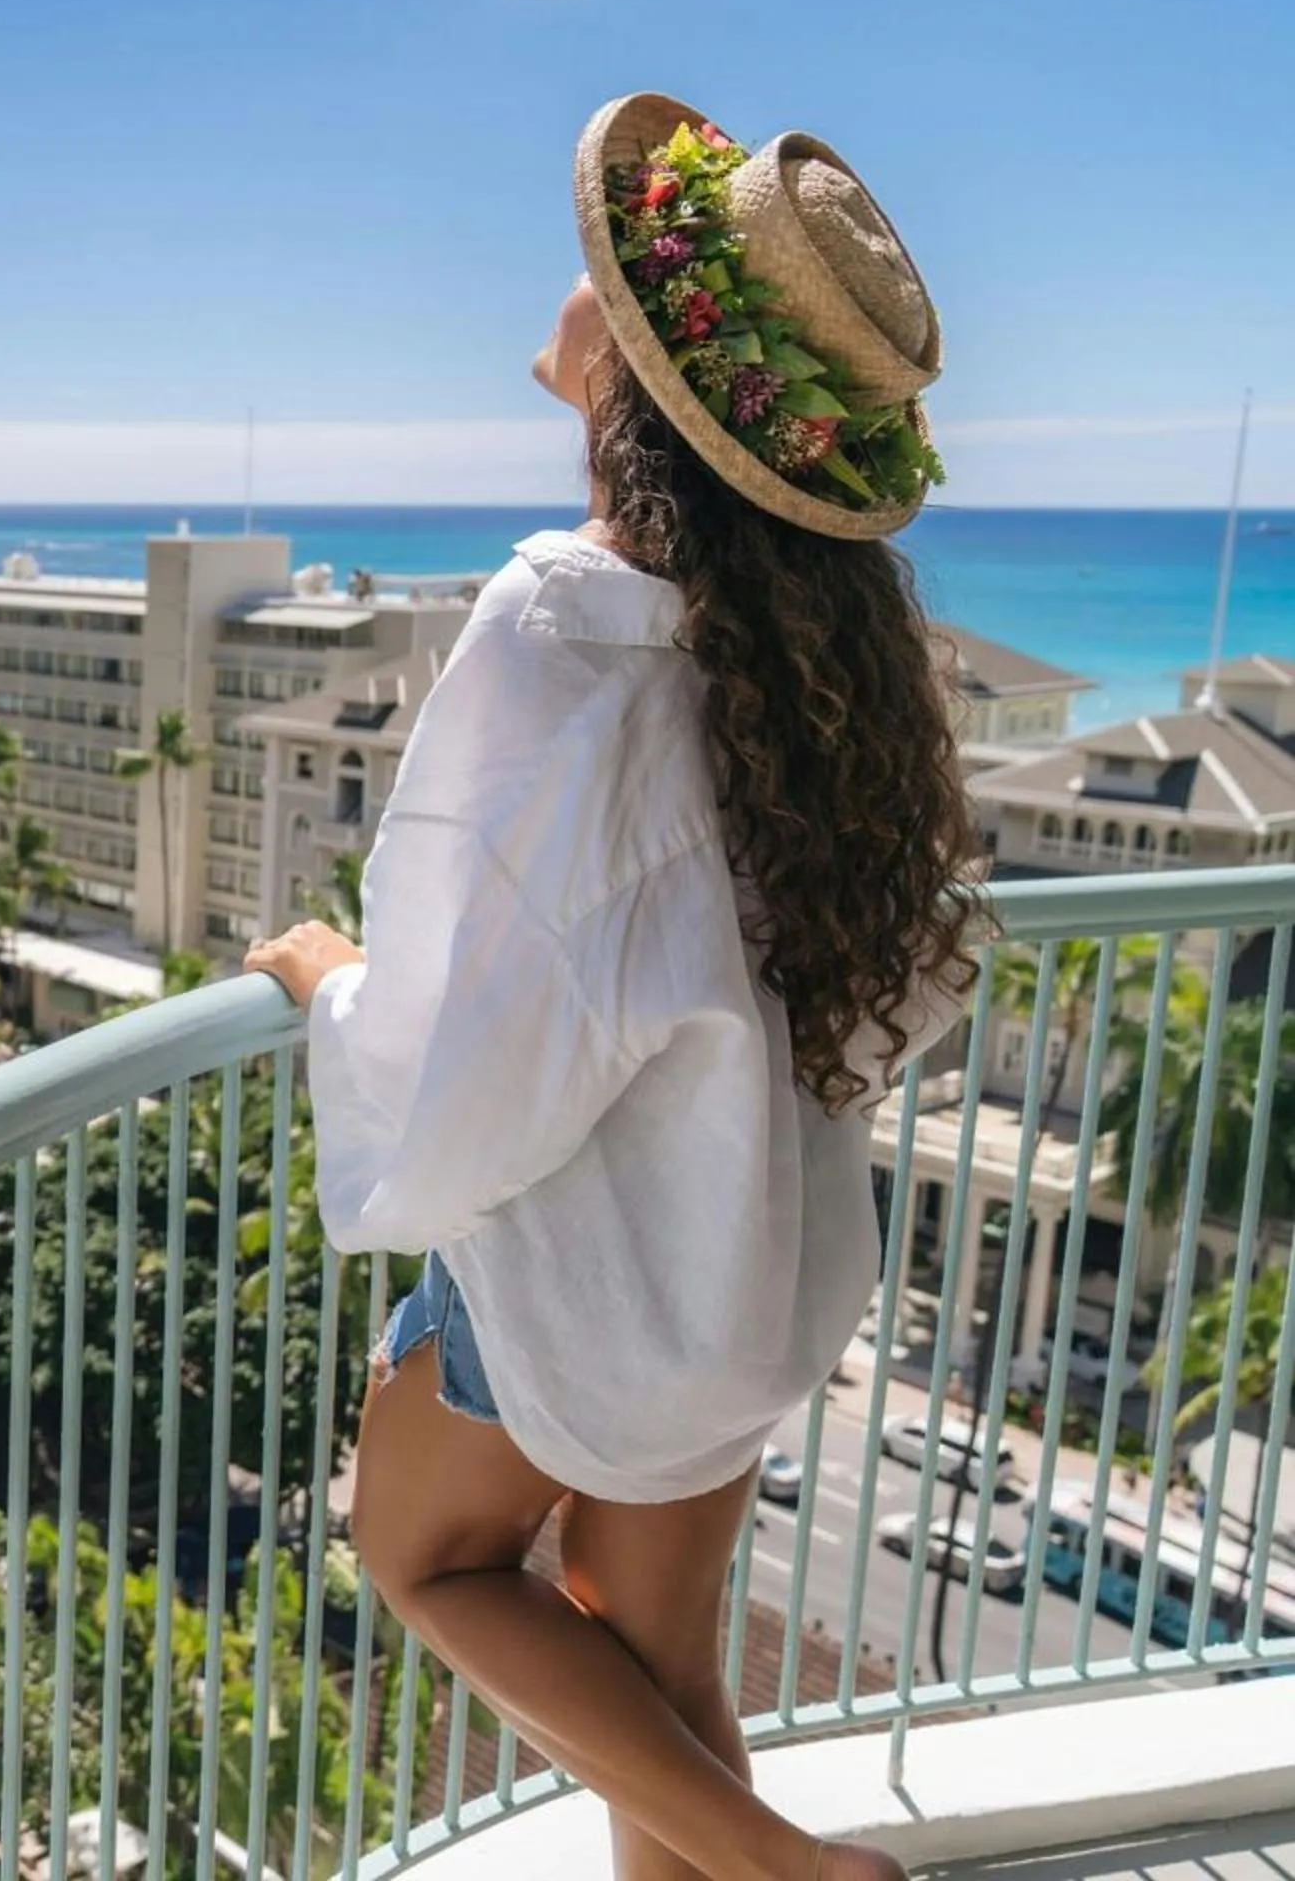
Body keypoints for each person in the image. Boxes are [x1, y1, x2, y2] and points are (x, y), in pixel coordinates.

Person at [249, 93, 983, 1881]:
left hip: (594, 1281)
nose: (574, 285)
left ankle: (812, 1876)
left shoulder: (567, 617)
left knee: (421, 1557)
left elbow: (470, 1019)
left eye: (606, 272)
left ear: (649, 368)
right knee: (657, 1698)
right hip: (747, 1266)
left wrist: (327, 979)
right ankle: (774, 1872)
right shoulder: (822, 646)